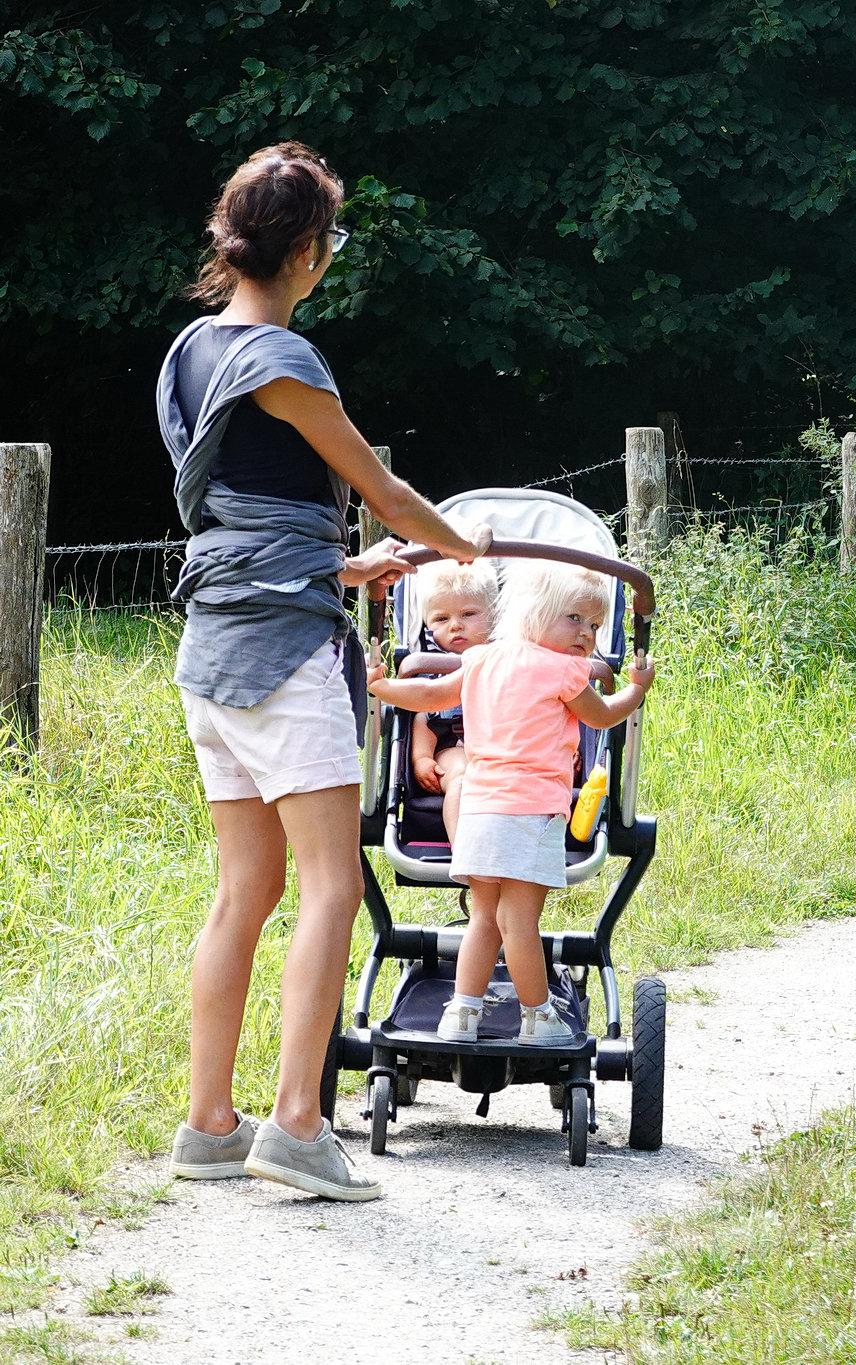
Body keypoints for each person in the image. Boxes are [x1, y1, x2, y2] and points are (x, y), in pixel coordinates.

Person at [159, 142, 491, 1201]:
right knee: (332, 885)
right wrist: (472, 549)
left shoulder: (191, 352)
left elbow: (247, 509)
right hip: (282, 654)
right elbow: (387, 492)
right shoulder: (284, 361)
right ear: (304, 250)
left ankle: (210, 1124)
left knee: (244, 889)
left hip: (212, 648)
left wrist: (347, 561)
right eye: (329, 241)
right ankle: (298, 1124)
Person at [366, 563, 656, 1044]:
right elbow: (602, 717)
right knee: (519, 921)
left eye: (594, 626)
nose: (586, 634)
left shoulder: (482, 659)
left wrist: (382, 687)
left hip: (478, 808)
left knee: (484, 918)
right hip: (531, 812)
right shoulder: (565, 670)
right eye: (575, 620)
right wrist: (636, 689)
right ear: (535, 613)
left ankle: (461, 1014)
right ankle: (538, 1018)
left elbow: (430, 693)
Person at [407, 558, 499, 842]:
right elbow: (425, 716)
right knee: (461, 777)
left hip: (509, 750)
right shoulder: (432, 666)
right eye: (441, 619)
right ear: (426, 623)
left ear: (495, 615)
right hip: (454, 747)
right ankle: (465, 851)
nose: (456, 626)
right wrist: (422, 758)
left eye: (469, 614)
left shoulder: (510, 657)